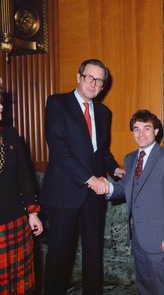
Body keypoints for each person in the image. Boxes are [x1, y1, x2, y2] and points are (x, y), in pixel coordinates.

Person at [39, 59, 125, 295]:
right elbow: (60, 150)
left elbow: (101, 152)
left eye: (99, 80)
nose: (94, 83)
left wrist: (116, 169)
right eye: (89, 77)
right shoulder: (57, 103)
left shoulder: (104, 112)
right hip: (65, 192)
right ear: (78, 77)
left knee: (93, 253)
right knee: (59, 255)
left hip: (94, 196)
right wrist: (91, 179)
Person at [93, 110, 164, 295]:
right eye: (136, 129)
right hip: (138, 238)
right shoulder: (130, 158)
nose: (141, 134)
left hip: (161, 239)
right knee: (145, 287)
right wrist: (108, 187)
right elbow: (127, 187)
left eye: (146, 128)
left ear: (156, 131)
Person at [0, 91, 43, 294]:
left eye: (0, 103)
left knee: (18, 285)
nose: (1, 107)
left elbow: (24, 176)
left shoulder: (10, 134)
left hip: (15, 220)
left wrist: (32, 212)